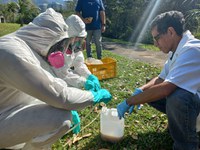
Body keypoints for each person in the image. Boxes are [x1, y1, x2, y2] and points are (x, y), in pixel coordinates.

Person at [0, 8, 112, 150]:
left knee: (54, 105)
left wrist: (89, 77)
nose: (62, 51)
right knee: (60, 119)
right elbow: (61, 95)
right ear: (45, 37)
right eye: (60, 45)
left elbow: (52, 83)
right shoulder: (13, 53)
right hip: (5, 112)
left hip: (8, 107)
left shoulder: (30, 49)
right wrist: (94, 96)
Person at [117, 11, 200, 150]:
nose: (155, 44)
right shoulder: (176, 50)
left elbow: (166, 87)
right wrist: (142, 90)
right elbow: (161, 78)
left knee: (177, 97)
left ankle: (186, 145)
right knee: (152, 91)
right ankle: (180, 123)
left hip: (195, 105)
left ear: (170, 31)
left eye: (157, 38)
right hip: (194, 102)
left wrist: (129, 101)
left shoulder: (192, 49)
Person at [48, 14, 101, 92]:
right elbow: (61, 73)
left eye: (80, 38)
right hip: (51, 78)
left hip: (62, 74)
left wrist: (89, 76)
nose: (77, 40)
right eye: (76, 37)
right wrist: (83, 82)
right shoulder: (57, 48)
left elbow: (79, 64)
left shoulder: (74, 45)